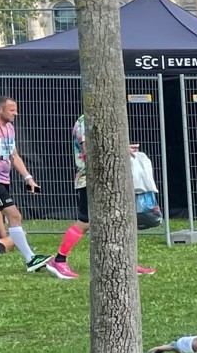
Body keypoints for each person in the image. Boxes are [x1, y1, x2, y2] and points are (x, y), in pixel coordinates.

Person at [52, 117, 155, 280]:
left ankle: (126, 263)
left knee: (118, 220)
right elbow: (89, 151)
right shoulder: (85, 122)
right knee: (85, 222)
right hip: (89, 179)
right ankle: (59, 259)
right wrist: (120, 150)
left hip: (106, 179)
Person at [0, 98, 56, 276]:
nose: (16, 113)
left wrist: (28, 177)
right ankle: (31, 259)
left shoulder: (9, 128)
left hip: (3, 180)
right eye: (12, 110)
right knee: (14, 215)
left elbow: (13, 156)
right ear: (0, 110)